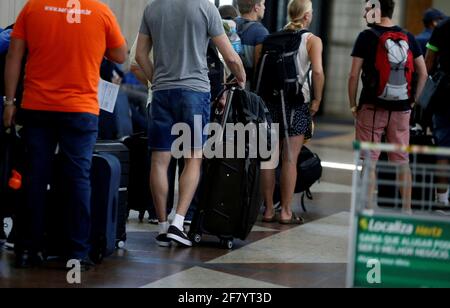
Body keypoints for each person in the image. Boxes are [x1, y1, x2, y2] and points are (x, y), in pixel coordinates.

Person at [3, 0, 127, 269]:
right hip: (80, 110)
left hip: (37, 107)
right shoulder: (100, 11)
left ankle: (28, 250)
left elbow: (14, 55)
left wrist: (10, 102)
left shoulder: (33, 8)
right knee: (78, 179)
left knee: (34, 178)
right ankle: (76, 254)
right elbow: (120, 54)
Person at [136, 0, 245, 248]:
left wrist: (157, 79)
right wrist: (241, 77)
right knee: (193, 157)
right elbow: (230, 56)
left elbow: (140, 55)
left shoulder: (152, 8)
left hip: (162, 92)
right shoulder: (205, 8)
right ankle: (179, 222)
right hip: (195, 92)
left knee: (159, 160)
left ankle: (163, 226)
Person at [348, 0, 428, 213]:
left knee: (370, 159)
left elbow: (354, 74)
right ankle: (407, 209)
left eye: (367, 9)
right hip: (402, 108)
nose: (365, 13)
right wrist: (412, 101)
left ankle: (367, 209)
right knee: (402, 160)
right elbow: (423, 73)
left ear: (376, 11)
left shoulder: (366, 37)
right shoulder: (409, 37)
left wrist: (353, 105)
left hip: (372, 107)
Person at [261, 0, 325, 224]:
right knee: (289, 159)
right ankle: (286, 211)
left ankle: (268, 210)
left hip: (269, 103)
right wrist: (317, 99)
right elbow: (317, 72)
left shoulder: (270, 38)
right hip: (295, 103)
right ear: (306, 16)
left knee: (268, 159)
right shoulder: (312, 40)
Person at [425, 17, 450, 207]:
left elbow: (429, 60)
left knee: (443, 149)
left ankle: (441, 200)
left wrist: (422, 91)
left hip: (444, 95)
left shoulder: (442, 26)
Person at [235, 0, 269, 89]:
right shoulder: (260, 32)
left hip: (228, 86)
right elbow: (259, 69)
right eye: (263, 4)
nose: (264, 7)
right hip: (246, 87)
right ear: (256, 7)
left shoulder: (229, 25)